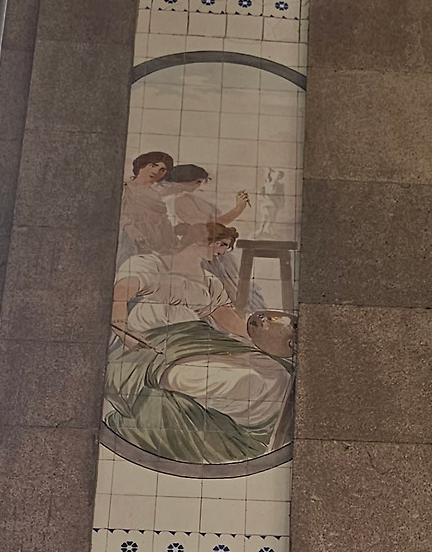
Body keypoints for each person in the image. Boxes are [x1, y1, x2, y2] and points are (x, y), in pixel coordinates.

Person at [105, 225, 294, 466]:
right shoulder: (149, 265)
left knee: (278, 373)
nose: (222, 251)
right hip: (156, 346)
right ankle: (248, 435)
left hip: (200, 339)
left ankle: (270, 432)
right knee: (245, 381)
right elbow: (119, 296)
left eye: (227, 247)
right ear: (200, 239)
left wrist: (263, 335)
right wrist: (126, 335)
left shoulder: (209, 280)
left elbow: (226, 318)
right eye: (222, 244)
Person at [120, 149, 176, 260]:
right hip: (131, 241)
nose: (156, 171)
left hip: (158, 244)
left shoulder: (155, 195)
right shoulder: (125, 188)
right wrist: (129, 228)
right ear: (141, 165)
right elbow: (118, 214)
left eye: (163, 170)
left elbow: (163, 222)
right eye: (152, 165)